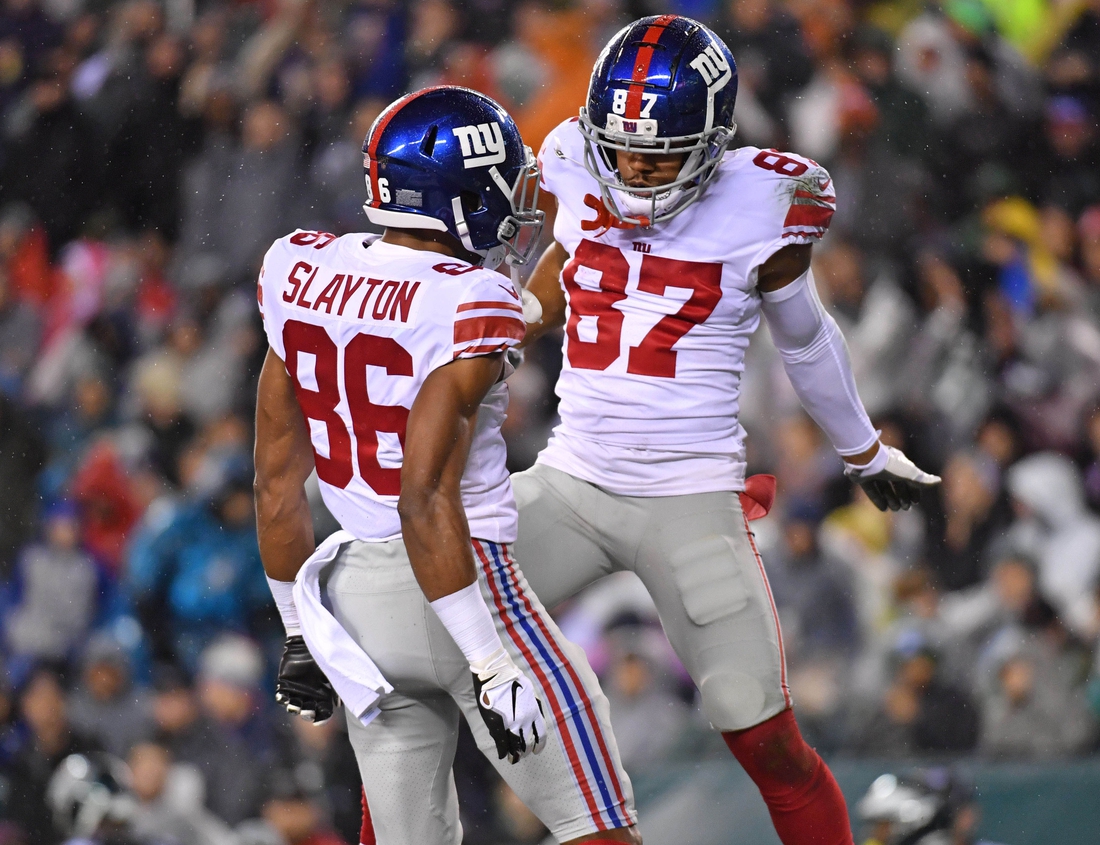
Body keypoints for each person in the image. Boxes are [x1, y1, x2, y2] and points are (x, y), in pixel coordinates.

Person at [514, 16, 941, 845]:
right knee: (419, 646)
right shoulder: (569, 156)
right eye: (620, 149)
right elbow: (569, 260)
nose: (633, 168)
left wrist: (863, 450)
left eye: (658, 154)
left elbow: (805, 337)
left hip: (692, 499)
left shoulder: (767, 202)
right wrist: (505, 328)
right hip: (569, 481)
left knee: (764, 732)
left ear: (713, 143)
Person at [253, 86, 639, 845]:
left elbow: (274, 483)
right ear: (459, 194)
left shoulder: (298, 270)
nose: (514, 198)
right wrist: (490, 662)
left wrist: (298, 630)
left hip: (355, 602)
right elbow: (424, 497)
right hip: (464, 584)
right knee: (599, 830)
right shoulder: (471, 299)